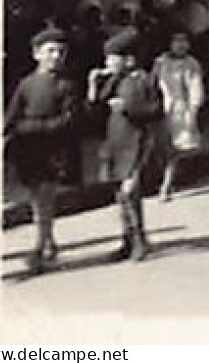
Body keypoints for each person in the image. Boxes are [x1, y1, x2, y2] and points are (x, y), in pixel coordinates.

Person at [4, 27, 81, 275]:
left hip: (54, 151)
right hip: (29, 150)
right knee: (36, 199)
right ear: (37, 54)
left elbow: (68, 120)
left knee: (45, 197)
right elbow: (12, 114)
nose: (56, 56)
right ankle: (49, 244)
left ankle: (41, 248)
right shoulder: (27, 84)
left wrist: (31, 127)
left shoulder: (68, 84)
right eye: (50, 51)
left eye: (61, 52)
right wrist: (5, 133)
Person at [89, 28, 163, 262]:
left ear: (128, 60)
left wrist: (128, 109)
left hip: (136, 142)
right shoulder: (112, 81)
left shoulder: (141, 79)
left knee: (130, 191)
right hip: (116, 142)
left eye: (113, 59)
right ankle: (128, 238)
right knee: (120, 194)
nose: (108, 63)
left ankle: (140, 239)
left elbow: (156, 109)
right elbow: (95, 112)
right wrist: (92, 86)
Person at [152, 27, 205, 202]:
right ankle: (165, 178)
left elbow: (196, 89)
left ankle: (166, 185)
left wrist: (192, 111)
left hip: (180, 109)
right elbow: (152, 84)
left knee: (173, 150)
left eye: (184, 41)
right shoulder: (161, 62)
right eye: (176, 41)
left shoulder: (191, 64)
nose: (180, 45)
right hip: (161, 109)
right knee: (160, 148)